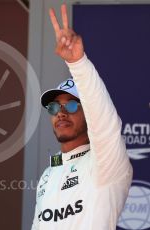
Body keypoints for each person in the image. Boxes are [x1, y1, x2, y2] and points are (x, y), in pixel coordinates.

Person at [31, 4, 133, 230]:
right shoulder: (48, 175)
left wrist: (77, 63)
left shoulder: (106, 164)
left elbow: (104, 122)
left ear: (88, 113)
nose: (61, 113)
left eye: (73, 105)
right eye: (54, 108)